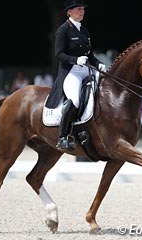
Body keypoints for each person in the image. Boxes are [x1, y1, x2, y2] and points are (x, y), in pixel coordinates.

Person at [45, 0, 106, 150]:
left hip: (87, 70)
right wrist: (75, 60)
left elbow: (89, 55)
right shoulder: (63, 30)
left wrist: (98, 63)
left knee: (103, 93)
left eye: (83, 9)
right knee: (76, 100)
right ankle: (63, 137)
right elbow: (58, 54)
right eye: (79, 9)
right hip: (71, 72)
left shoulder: (84, 31)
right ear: (69, 12)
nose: (82, 11)